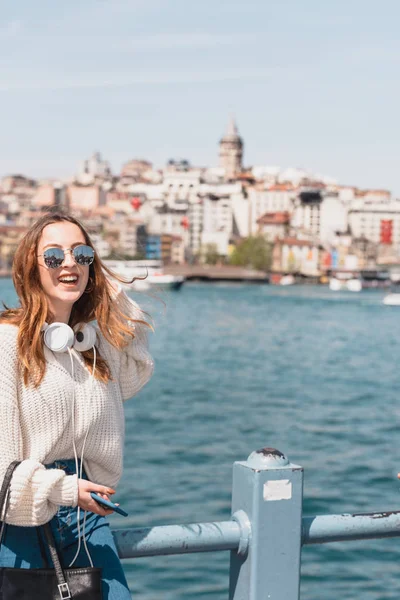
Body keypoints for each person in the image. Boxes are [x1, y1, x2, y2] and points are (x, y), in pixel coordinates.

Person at [0, 211, 154, 599]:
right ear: (30, 269)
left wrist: (105, 287)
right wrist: (63, 489)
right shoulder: (6, 343)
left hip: (89, 516)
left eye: (82, 254)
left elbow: (139, 367)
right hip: (21, 518)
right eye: (53, 256)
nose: (69, 262)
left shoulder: (89, 344)